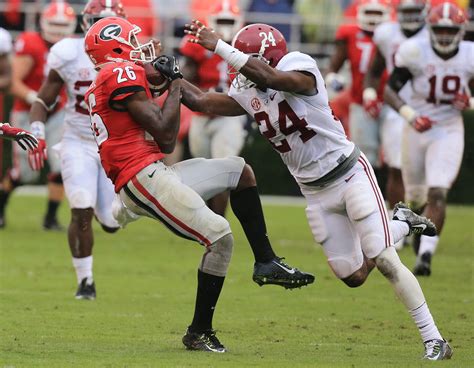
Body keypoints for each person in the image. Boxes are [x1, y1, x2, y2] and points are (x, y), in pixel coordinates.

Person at [179, 20, 453, 360]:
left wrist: (220, 46)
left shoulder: (299, 67)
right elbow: (203, 101)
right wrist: (169, 76)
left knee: (384, 259)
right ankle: (399, 222)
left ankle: (434, 339)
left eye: (249, 59)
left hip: (350, 174)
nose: (242, 68)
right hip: (316, 193)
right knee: (352, 276)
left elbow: (273, 79)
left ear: (270, 57)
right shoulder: (250, 90)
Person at [83, 16, 314, 352]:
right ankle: (198, 331)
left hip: (150, 173)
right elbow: (164, 136)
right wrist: (175, 84)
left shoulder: (116, 76)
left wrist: (168, 82)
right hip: (141, 176)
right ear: (115, 46)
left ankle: (266, 262)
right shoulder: (118, 73)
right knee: (220, 237)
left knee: (240, 171)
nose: (140, 46)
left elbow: (188, 102)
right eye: (132, 40)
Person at [27, 0, 126, 300]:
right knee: (80, 208)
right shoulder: (68, 53)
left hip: (114, 145)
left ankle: (105, 210)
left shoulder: (134, 56)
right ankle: (86, 282)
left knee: (111, 222)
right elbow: (44, 98)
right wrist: (37, 129)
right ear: (86, 22)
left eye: (110, 25)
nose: (103, 30)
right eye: (98, 22)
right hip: (77, 141)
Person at [384, 2, 473, 276]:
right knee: (415, 198)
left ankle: (425, 256)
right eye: (440, 30)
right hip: (417, 127)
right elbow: (390, 90)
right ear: (431, 28)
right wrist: (410, 115)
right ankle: (412, 231)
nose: (445, 36)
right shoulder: (415, 52)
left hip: (448, 128)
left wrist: (469, 100)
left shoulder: (470, 55)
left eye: (450, 30)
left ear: (460, 30)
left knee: (438, 191)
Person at [326, 0, 408, 222]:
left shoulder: (395, 35)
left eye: (377, 13)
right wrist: (334, 80)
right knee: (364, 164)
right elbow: (332, 67)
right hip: (361, 104)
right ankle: (372, 217)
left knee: (397, 164)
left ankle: (399, 219)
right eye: (368, 12)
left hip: (394, 106)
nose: (372, 18)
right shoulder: (350, 34)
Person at [0, 2, 77, 230]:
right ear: (44, 22)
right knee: (26, 172)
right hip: (29, 110)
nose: (58, 29)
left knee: (61, 164)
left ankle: (50, 218)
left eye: (62, 25)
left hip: (59, 110)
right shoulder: (31, 43)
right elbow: (13, 82)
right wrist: (35, 97)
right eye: (54, 23)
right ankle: (1, 209)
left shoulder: (72, 46)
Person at [363, 0, 429, 248]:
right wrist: (370, 93)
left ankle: (418, 223)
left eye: (415, 12)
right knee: (396, 168)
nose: (410, 17)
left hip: (428, 108)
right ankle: (396, 225)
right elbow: (375, 70)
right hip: (396, 108)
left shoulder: (434, 33)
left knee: (423, 172)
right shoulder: (386, 33)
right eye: (407, 12)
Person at [180, 0, 247, 216]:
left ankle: (219, 221)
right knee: (205, 172)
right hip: (201, 114)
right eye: (222, 21)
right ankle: (210, 220)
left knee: (222, 169)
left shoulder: (245, 42)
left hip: (229, 115)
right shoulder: (197, 42)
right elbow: (187, 73)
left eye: (229, 21)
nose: (226, 26)